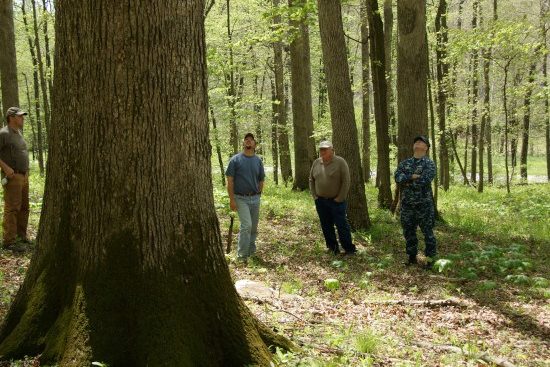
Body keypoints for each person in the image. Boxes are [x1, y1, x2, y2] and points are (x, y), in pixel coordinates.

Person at [394, 135, 437, 269]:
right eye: (416, 141)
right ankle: (411, 256)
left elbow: (425, 181)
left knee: (428, 233)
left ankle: (430, 259)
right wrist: (411, 177)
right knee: (408, 232)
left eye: (421, 142)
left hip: (424, 205)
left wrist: (406, 181)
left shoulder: (429, 163)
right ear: (413, 147)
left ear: (426, 148)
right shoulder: (405, 163)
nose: (418, 143)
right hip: (407, 205)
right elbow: (397, 177)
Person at [309, 140, 356, 255]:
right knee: (326, 225)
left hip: (337, 201)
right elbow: (311, 179)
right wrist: (315, 196)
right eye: (321, 149)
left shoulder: (340, 162)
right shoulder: (316, 162)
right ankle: (332, 248)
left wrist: (340, 198)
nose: (322, 151)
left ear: (332, 150)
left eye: (325, 149)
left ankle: (349, 249)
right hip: (320, 201)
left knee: (342, 225)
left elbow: (346, 181)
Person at [226, 133, 265, 263]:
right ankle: (242, 256)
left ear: (254, 144)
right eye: (246, 140)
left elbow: (261, 179)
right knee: (246, 225)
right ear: (243, 143)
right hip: (240, 198)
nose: (248, 142)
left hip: (254, 198)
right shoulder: (235, 160)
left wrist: (258, 194)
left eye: (251, 140)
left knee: (253, 227)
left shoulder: (258, 160)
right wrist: (232, 199)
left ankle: (251, 252)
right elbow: (230, 181)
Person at [0, 107, 30, 252]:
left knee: (24, 207)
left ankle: (21, 236)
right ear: (11, 117)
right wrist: (5, 168)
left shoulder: (19, 133)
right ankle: (9, 242)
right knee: (12, 208)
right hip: (12, 177)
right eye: (20, 116)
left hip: (24, 176)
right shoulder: (3, 133)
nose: (22, 118)